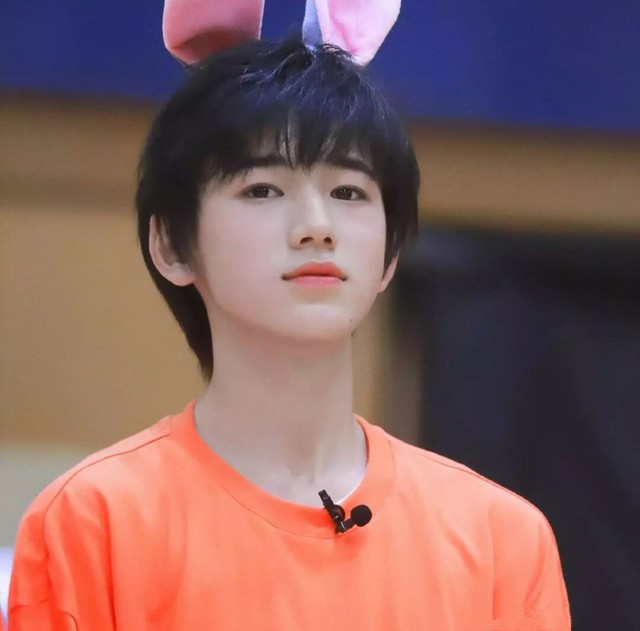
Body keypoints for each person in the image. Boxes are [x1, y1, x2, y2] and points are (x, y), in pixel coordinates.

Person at [8, 2, 571, 630]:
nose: (316, 227)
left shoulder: (500, 539)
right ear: (171, 245)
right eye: (262, 190)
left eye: (349, 192)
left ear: (389, 255)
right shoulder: (93, 523)